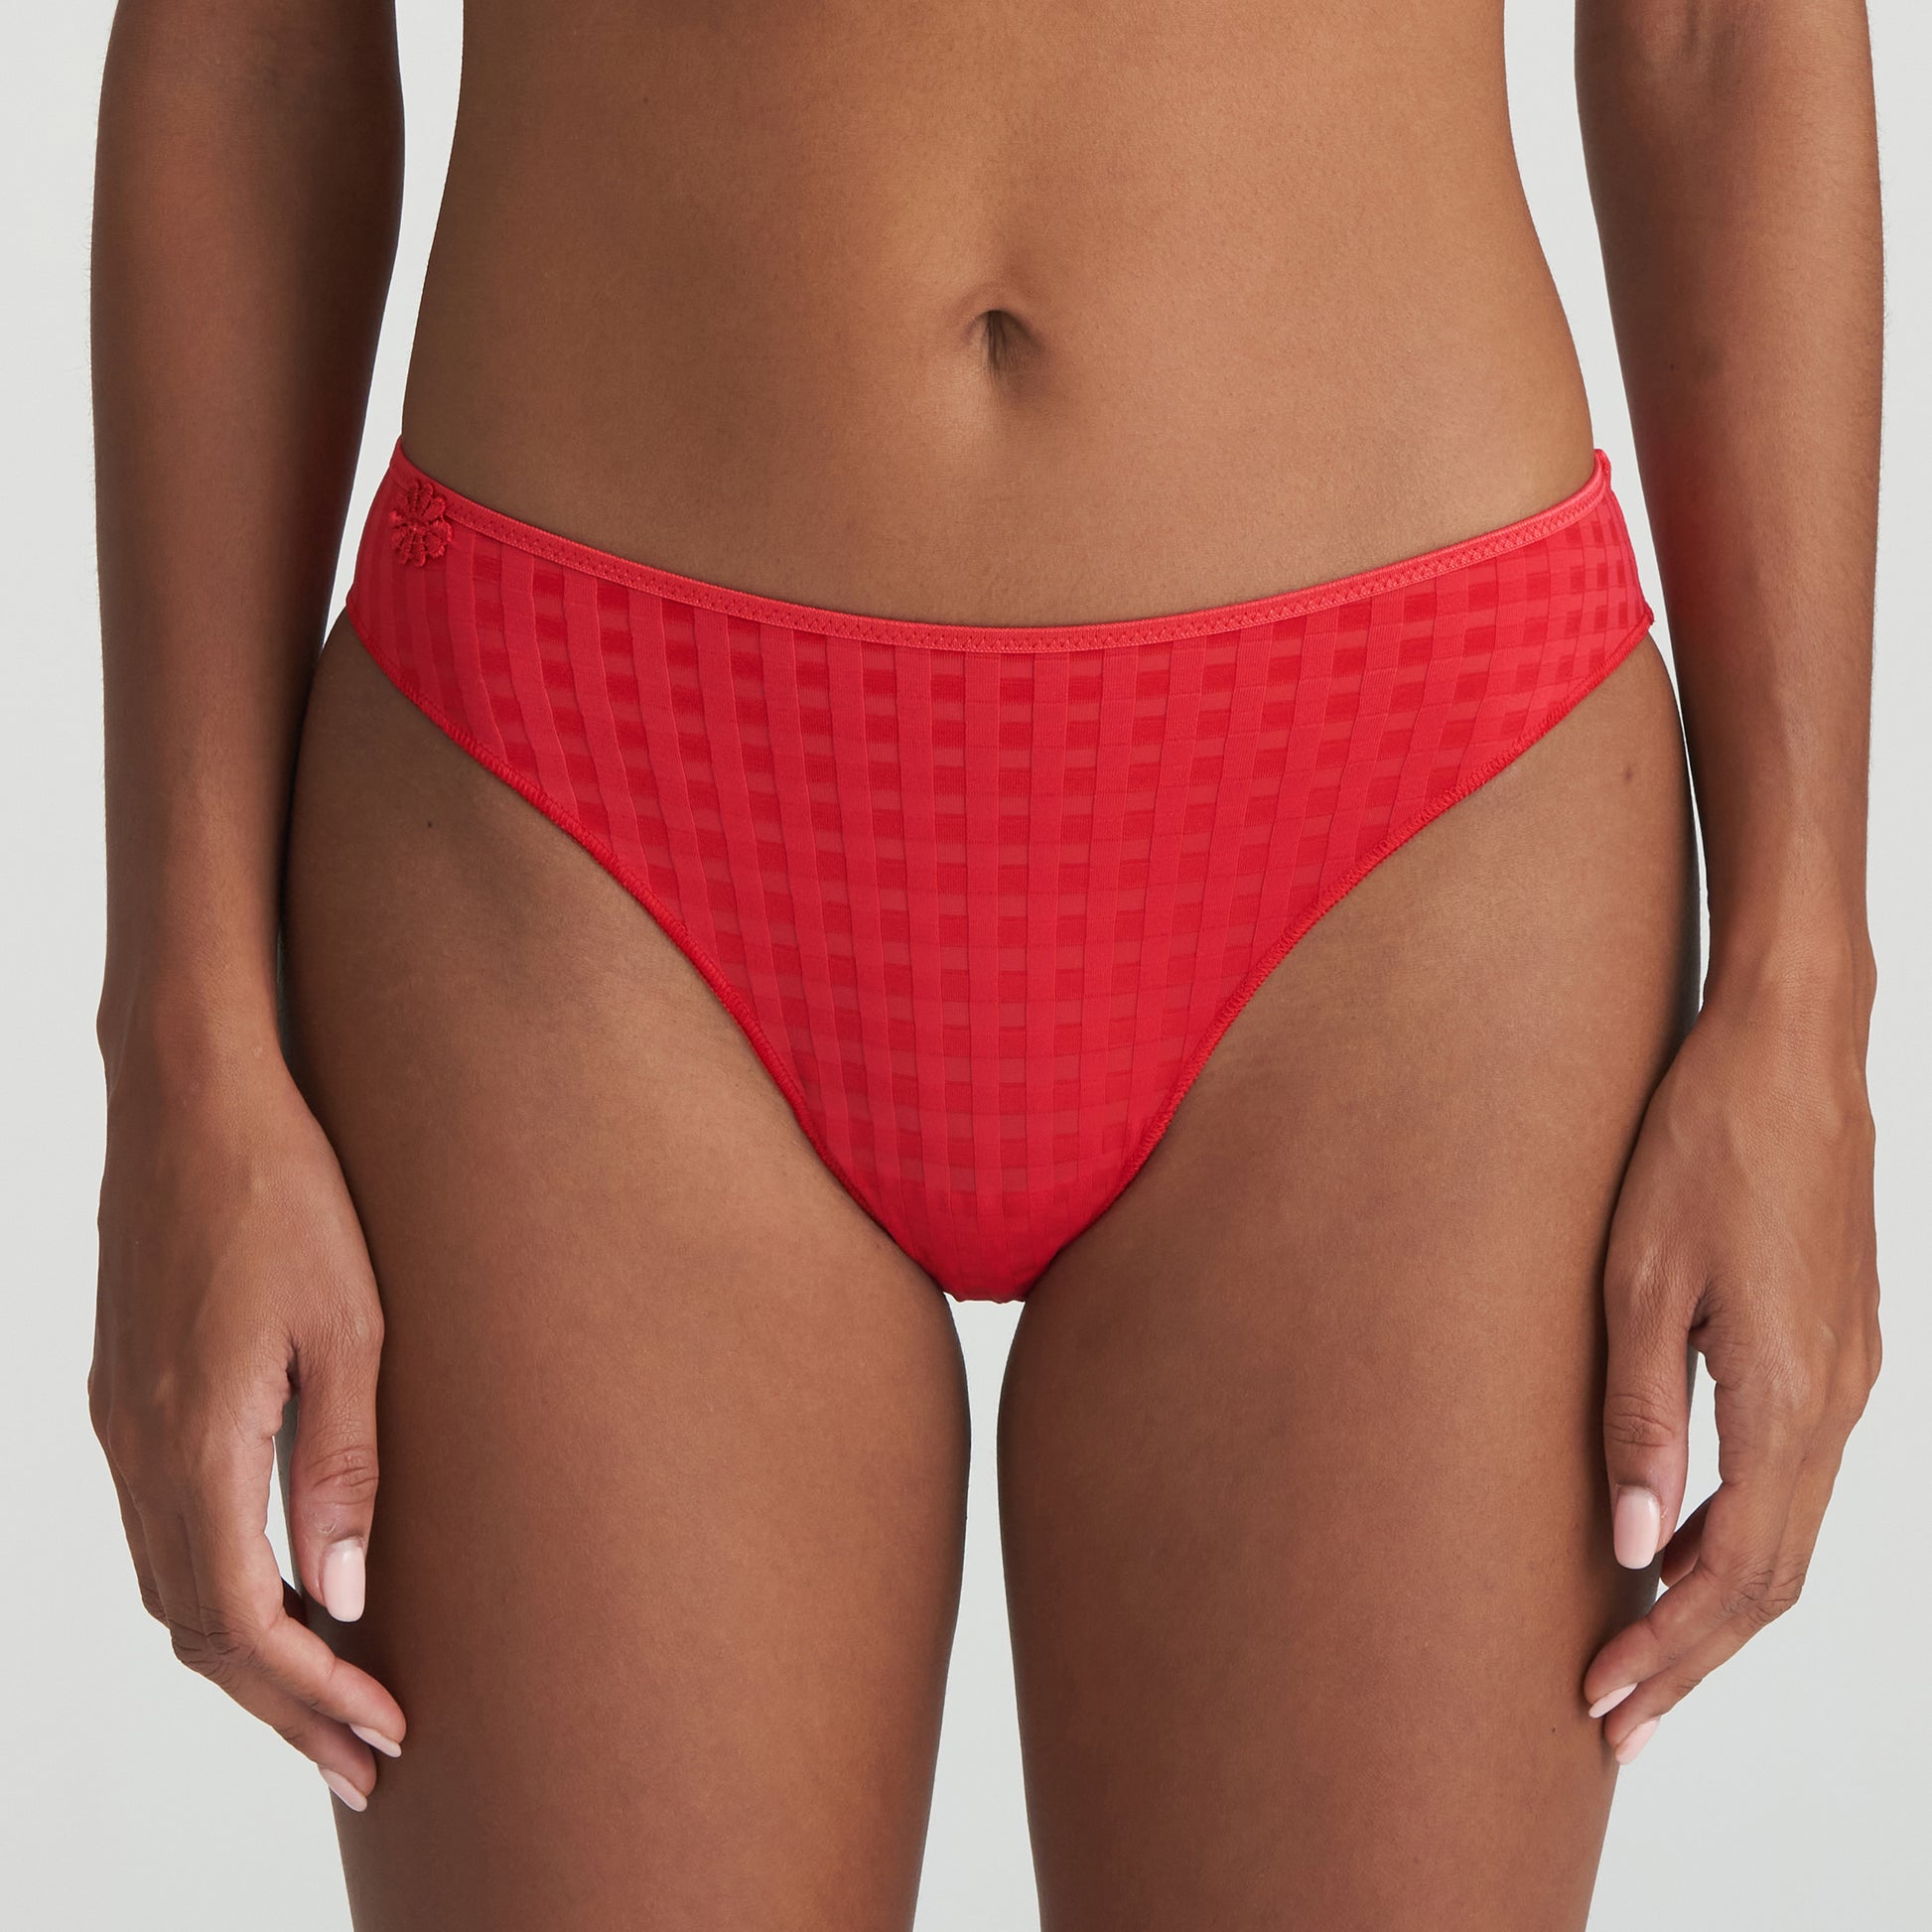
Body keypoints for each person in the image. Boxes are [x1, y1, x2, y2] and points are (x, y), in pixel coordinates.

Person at [86, 2, 1882, 1925]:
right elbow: (254, 45)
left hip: (1410, 842)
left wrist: (1801, 1004)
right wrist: (186, 1046)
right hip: (573, 810)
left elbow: (1713, 26)